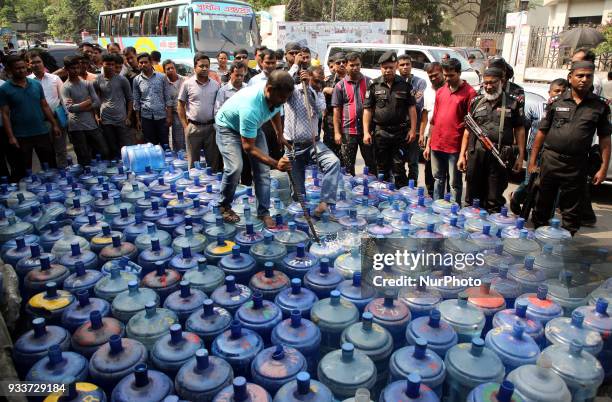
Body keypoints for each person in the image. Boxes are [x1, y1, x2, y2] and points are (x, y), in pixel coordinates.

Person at [530, 61, 611, 235]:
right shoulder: (556, 102)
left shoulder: (600, 106)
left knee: (571, 210)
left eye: (588, 76)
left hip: (577, 164)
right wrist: (532, 161)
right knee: (542, 204)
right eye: (579, 75)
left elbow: (605, 139)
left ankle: (565, 243)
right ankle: (539, 238)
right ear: (570, 77)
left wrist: (603, 168)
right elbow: (542, 132)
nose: (584, 80)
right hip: (551, 160)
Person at [215, 70, 293, 227]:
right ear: (269, 89)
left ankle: (263, 212)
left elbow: (276, 110)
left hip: (252, 127)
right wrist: (275, 163)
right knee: (235, 168)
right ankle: (224, 205)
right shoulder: (251, 106)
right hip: (228, 128)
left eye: (286, 98)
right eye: (282, 98)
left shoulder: (276, 97)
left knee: (262, 172)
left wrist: (279, 134)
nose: (284, 101)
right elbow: (248, 147)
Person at [458, 67, 525, 212]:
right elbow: (467, 131)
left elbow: (520, 129)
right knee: (472, 197)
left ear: (501, 81)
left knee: (494, 198)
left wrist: (521, 156)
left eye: (492, 83)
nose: (488, 87)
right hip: (477, 154)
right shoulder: (476, 101)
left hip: (500, 155)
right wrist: (462, 155)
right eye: (485, 83)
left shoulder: (513, 103)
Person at [283, 68, 340, 216]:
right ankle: (302, 218)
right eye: (315, 81)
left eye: (321, 82)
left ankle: (325, 201)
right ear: (308, 78)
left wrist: (309, 89)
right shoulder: (293, 92)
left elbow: (319, 108)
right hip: (293, 146)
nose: (319, 85)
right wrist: (295, 66)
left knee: (333, 162)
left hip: (312, 144)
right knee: (298, 193)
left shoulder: (318, 94)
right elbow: (281, 83)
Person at [510, 78, 567, 215]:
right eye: (556, 91)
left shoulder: (568, 109)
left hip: (554, 153)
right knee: (530, 182)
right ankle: (516, 197)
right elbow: (524, 126)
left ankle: (543, 215)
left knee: (551, 185)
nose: (559, 94)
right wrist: (521, 151)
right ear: (550, 92)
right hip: (536, 150)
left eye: (563, 91)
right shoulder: (539, 106)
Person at [0, 55, 61, 181]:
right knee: (23, 170)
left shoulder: (35, 85)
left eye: (23, 67)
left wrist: (54, 124)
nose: (21, 70)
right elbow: (5, 114)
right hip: (21, 135)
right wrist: (11, 137)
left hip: (41, 131)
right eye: (17, 68)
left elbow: (44, 106)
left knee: (50, 166)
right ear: (10, 70)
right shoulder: (5, 89)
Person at [425, 58, 476, 204]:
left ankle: (453, 211)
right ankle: (437, 208)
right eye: (445, 75)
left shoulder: (469, 93)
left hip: (454, 146)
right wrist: (429, 143)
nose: (447, 79)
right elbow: (433, 120)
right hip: (437, 144)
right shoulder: (441, 91)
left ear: (459, 73)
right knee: (437, 179)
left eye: (451, 75)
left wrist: (464, 153)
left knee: (454, 183)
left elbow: (470, 126)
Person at [363, 51, 417, 188]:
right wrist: (366, 132)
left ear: (396, 66)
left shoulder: (405, 85)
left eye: (391, 67)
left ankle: (400, 196)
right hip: (381, 133)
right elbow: (367, 110)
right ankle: (384, 197)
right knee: (381, 168)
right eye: (385, 67)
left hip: (400, 133)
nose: (388, 70)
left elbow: (412, 109)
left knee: (399, 168)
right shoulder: (374, 85)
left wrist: (413, 130)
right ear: (380, 68)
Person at [571, 48, 602, 226]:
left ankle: (586, 215)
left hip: (586, 141)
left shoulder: (591, 81)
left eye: (578, 60)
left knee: (579, 180)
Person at [332, 52, 376, 176]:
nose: (355, 68)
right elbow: (336, 110)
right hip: (348, 132)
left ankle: (371, 192)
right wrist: (336, 132)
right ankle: (350, 192)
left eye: (357, 65)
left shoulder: (369, 83)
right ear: (346, 66)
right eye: (352, 65)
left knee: (371, 164)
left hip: (366, 132)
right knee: (348, 167)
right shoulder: (340, 86)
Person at [61, 55, 109, 165]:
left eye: (77, 67)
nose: (76, 70)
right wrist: (87, 102)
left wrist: (80, 106)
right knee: (84, 156)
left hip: (91, 124)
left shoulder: (87, 83)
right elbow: (70, 109)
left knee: (103, 151)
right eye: (73, 68)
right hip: (76, 126)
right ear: (66, 69)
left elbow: (97, 102)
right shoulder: (65, 87)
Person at [177, 52, 221, 170]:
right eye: (201, 66)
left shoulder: (216, 85)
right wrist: (185, 126)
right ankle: (194, 187)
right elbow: (180, 105)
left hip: (211, 128)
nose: (205, 68)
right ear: (195, 67)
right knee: (193, 164)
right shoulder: (187, 84)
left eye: (207, 66)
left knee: (213, 163)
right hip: (193, 128)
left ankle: (212, 187)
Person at [27, 49, 67, 168]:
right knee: (45, 151)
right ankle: (49, 175)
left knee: (60, 149)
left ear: (43, 63)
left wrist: (66, 118)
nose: (36, 64)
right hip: (39, 122)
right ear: (28, 65)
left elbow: (63, 99)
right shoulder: (27, 81)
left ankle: (63, 173)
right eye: (32, 62)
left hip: (57, 119)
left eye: (38, 61)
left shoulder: (54, 78)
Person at [214, 62, 250, 185]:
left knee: (246, 164)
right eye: (237, 75)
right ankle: (230, 190)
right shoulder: (223, 91)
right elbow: (217, 113)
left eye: (242, 75)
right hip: (229, 133)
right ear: (230, 74)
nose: (239, 78)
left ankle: (246, 189)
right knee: (232, 166)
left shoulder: (247, 89)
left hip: (245, 132)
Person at [95, 53, 133, 159]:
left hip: (121, 118)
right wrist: (97, 116)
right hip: (106, 119)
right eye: (108, 64)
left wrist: (128, 117)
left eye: (113, 64)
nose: (111, 67)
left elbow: (130, 99)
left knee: (125, 147)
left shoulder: (122, 80)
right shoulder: (97, 80)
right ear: (102, 64)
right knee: (112, 147)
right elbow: (96, 100)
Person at [132, 52, 173, 147]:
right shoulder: (136, 80)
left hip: (162, 117)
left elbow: (168, 98)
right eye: (141, 63)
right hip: (146, 117)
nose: (143, 64)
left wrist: (169, 116)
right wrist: (138, 120)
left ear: (150, 63)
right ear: (138, 64)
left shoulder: (162, 77)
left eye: (145, 62)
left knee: (165, 144)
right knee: (150, 146)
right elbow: (136, 100)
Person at [397, 54, 427, 183]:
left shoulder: (420, 82)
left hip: (414, 128)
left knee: (413, 162)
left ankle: (412, 188)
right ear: (397, 67)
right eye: (402, 65)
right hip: (398, 128)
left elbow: (418, 104)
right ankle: (401, 187)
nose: (405, 67)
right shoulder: (396, 82)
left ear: (411, 65)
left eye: (407, 64)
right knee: (399, 161)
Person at [421, 62, 445, 196]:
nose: (433, 78)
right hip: (429, 134)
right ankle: (431, 193)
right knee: (429, 168)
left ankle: (443, 197)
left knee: (443, 170)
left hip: (445, 136)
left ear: (442, 73)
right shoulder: (428, 91)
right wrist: (421, 133)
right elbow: (425, 113)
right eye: (430, 76)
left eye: (436, 75)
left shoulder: (449, 90)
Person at [322, 52, 345, 158]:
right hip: (330, 120)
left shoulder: (352, 80)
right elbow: (321, 101)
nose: (341, 64)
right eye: (338, 62)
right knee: (330, 152)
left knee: (345, 154)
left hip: (347, 120)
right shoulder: (327, 81)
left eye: (344, 62)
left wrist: (334, 91)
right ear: (334, 65)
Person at [163, 59, 186, 151]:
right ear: (164, 71)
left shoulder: (184, 80)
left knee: (187, 136)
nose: (171, 70)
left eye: (172, 68)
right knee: (177, 138)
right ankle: (178, 155)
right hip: (173, 113)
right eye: (168, 69)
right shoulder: (164, 83)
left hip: (185, 112)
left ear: (175, 68)